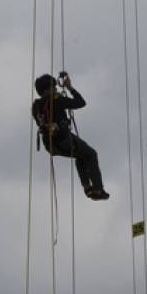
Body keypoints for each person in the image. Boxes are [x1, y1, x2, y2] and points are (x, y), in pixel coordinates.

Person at [32, 72, 109, 200]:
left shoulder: (36, 106)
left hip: (50, 145)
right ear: (49, 88)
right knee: (91, 154)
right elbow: (81, 103)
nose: (56, 89)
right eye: (54, 87)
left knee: (81, 155)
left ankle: (88, 188)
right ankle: (97, 189)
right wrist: (69, 88)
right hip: (64, 139)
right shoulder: (55, 99)